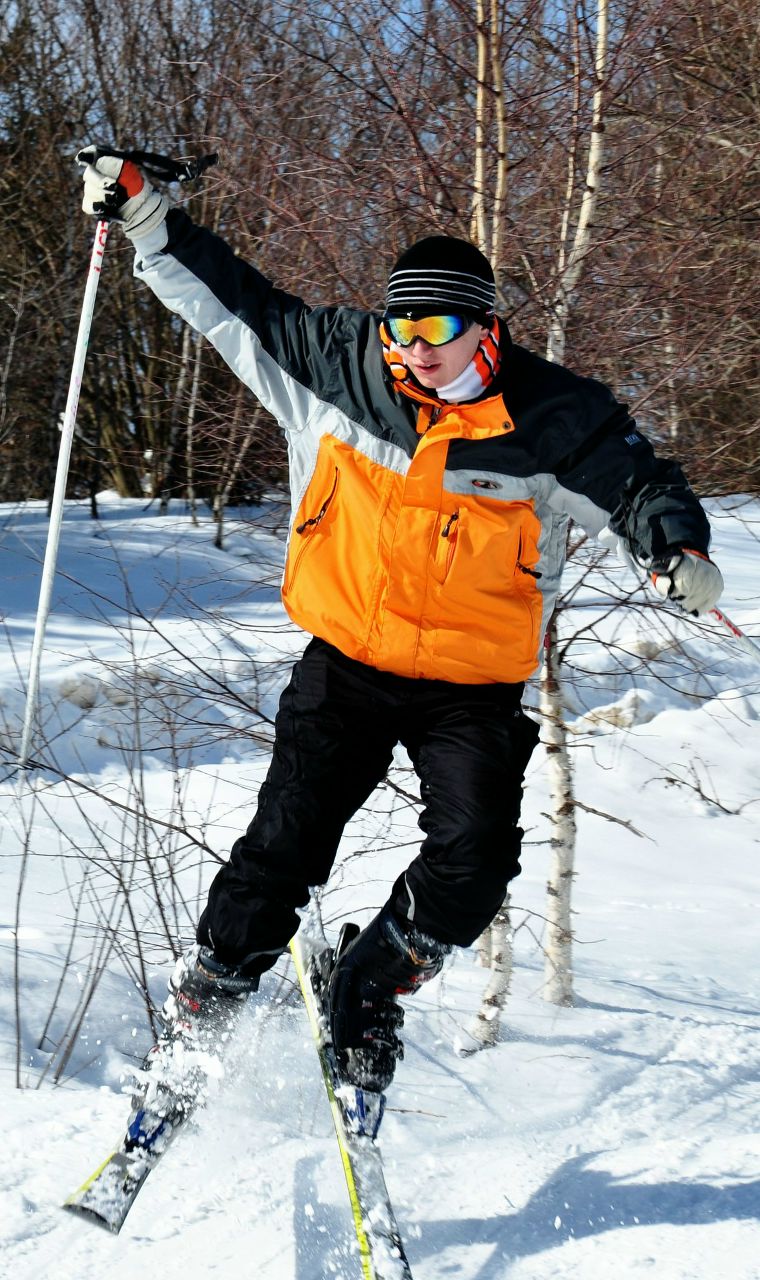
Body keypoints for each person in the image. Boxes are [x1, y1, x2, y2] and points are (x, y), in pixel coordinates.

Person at [78, 150, 724, 1093]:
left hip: (470, 684)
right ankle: (211, 993)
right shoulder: (340, 368)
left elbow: (641, 486)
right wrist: (142, 215)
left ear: (484, 329)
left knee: (473, 863)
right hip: (349, 662)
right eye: (400, 323)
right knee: (284, 845)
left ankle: (367, 986)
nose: (414, 345)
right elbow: (233, 300)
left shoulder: (553, 418)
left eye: (437, 325)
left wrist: (676, 552)